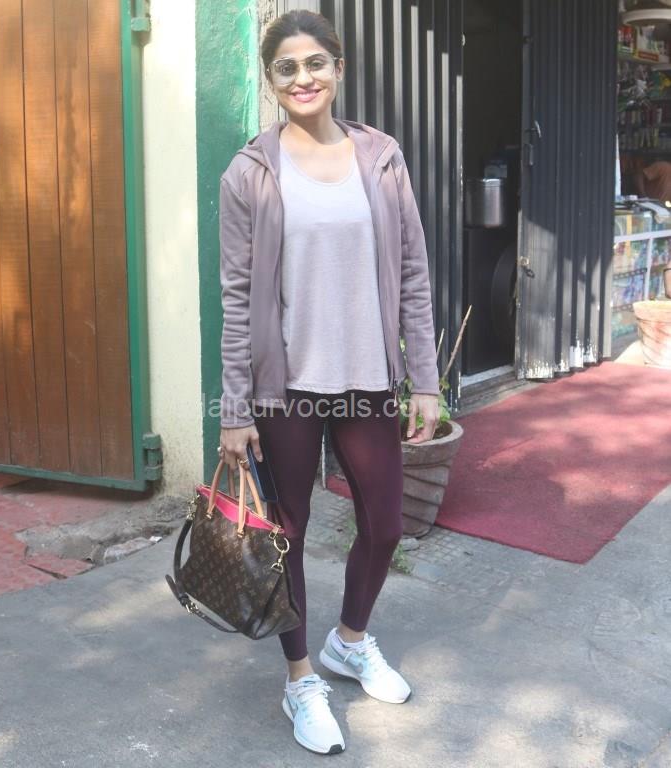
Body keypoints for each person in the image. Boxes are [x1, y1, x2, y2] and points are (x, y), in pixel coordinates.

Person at [217, 9, 440, 756]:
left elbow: (412, 273)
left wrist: (425, 379)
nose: (303, 77)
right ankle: (300, 679)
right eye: (286, 68)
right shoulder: (250, 172)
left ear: (338, 69)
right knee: (287, 535)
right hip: (285, 387)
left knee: (385, 525)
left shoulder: (381, 158)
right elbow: (237, 298)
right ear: (271, 81)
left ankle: (349, 640)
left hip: (367, 379)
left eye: (316, 62)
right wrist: (234, 409)